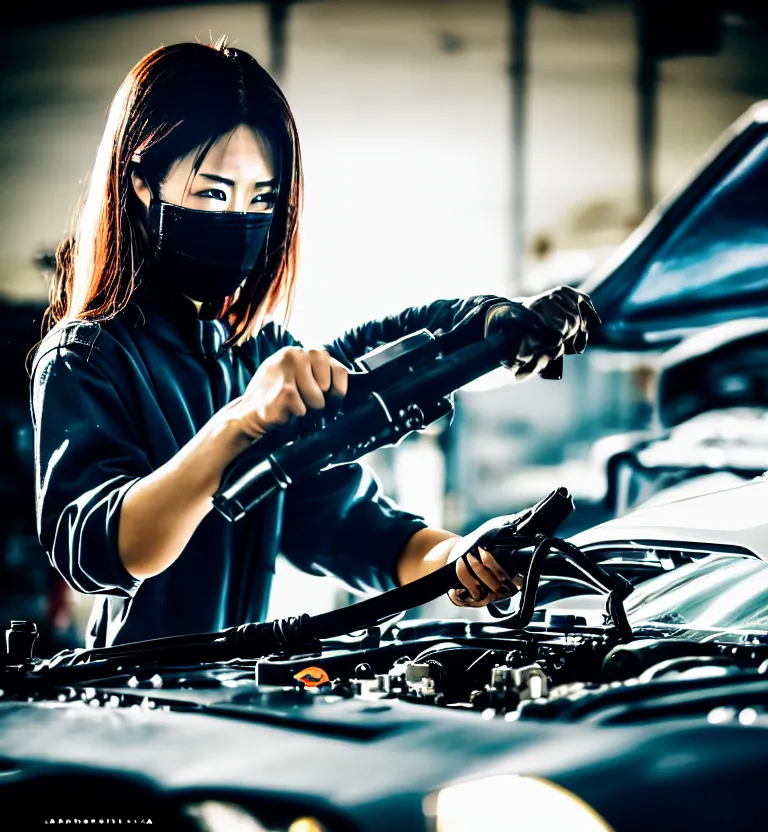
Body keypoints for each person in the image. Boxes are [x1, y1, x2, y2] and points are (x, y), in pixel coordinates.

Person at [30, 39, 598, 649]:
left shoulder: (255, 350)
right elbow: (114, 549)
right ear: (142, 183)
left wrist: (460, 558)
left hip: (239, 701)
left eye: (262, 199)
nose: (240, 219)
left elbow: (352, 528)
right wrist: (242, 423)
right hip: (136, 707)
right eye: (214, 194)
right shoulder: (86, 357)